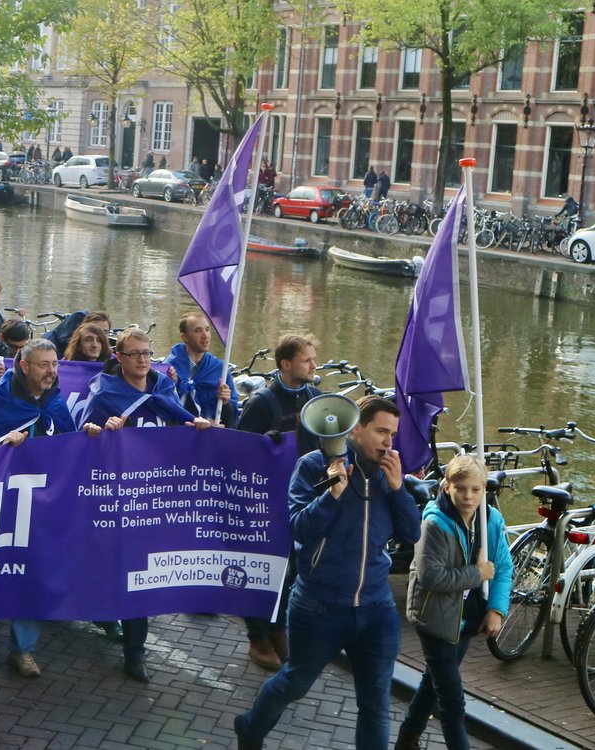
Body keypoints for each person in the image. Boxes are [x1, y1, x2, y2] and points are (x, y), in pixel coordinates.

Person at [232, 396, 422, 750]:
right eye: (381, 431)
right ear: (357, 428)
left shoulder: (390, 473)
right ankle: (251, 727)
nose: (388, 442)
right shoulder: (312, 467)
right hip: (320, 606)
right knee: (295, 683)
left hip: (376, 608)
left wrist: (398, 491)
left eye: (393, 435)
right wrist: (331, 494)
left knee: (376, 705)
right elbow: (299, 528)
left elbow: (412, 534)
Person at [0, 338, 93, 679]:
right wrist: (3, 442)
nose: (52, 371)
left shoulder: (54, 399)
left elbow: (67, 439)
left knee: (31, 566)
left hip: (38, 500)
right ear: (23, 366)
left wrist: (88, 436)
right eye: (45, 365)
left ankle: (23, 649)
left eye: (55, 364)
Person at [80, 328, 208, 683]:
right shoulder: (105, 393)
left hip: (154, 498)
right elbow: (79, 433)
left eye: (147, 353)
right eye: (134, 354)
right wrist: (100, 430)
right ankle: (101, 610)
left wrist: (199, 424)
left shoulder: (165, 389)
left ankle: (135, 652)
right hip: (117, 497)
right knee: (109, 568)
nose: (142, 360)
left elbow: (183, 422)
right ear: (119, 357)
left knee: (142, 577)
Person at [394, 455, 513, 750]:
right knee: (452, 701)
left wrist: (496, 609)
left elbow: (503, 566)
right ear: (448, 487)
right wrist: (477, 574)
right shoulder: (434, 523)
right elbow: (431, 576)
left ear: (484, 489)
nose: (469, 496)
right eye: (461, 488)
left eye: (476, 489)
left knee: (433, 682)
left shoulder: (492, 520)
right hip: (436, 620)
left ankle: (407, 737)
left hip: (467, 617)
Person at [236, 332, 322, 669]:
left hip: (302, 501)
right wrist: (262, 445)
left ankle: (279, 627)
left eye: (314, 358)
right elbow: (238, 453)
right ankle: (257, 637)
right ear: (286, 365)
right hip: (266, 505)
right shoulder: (262, 403)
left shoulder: (316, 398)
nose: (314, 365)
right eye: (307, 360)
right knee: (261, 571)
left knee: (294, 570)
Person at [165, 312, 238, 424]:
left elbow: (232, 422)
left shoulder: (220, 370)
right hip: (179, 434)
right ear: (184, 337)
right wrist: (172, 386)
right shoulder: (169, 369)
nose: (205, 335)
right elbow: (161, 409)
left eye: (207, 329)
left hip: (210, 435)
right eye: (197, 331)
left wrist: (226, 403)